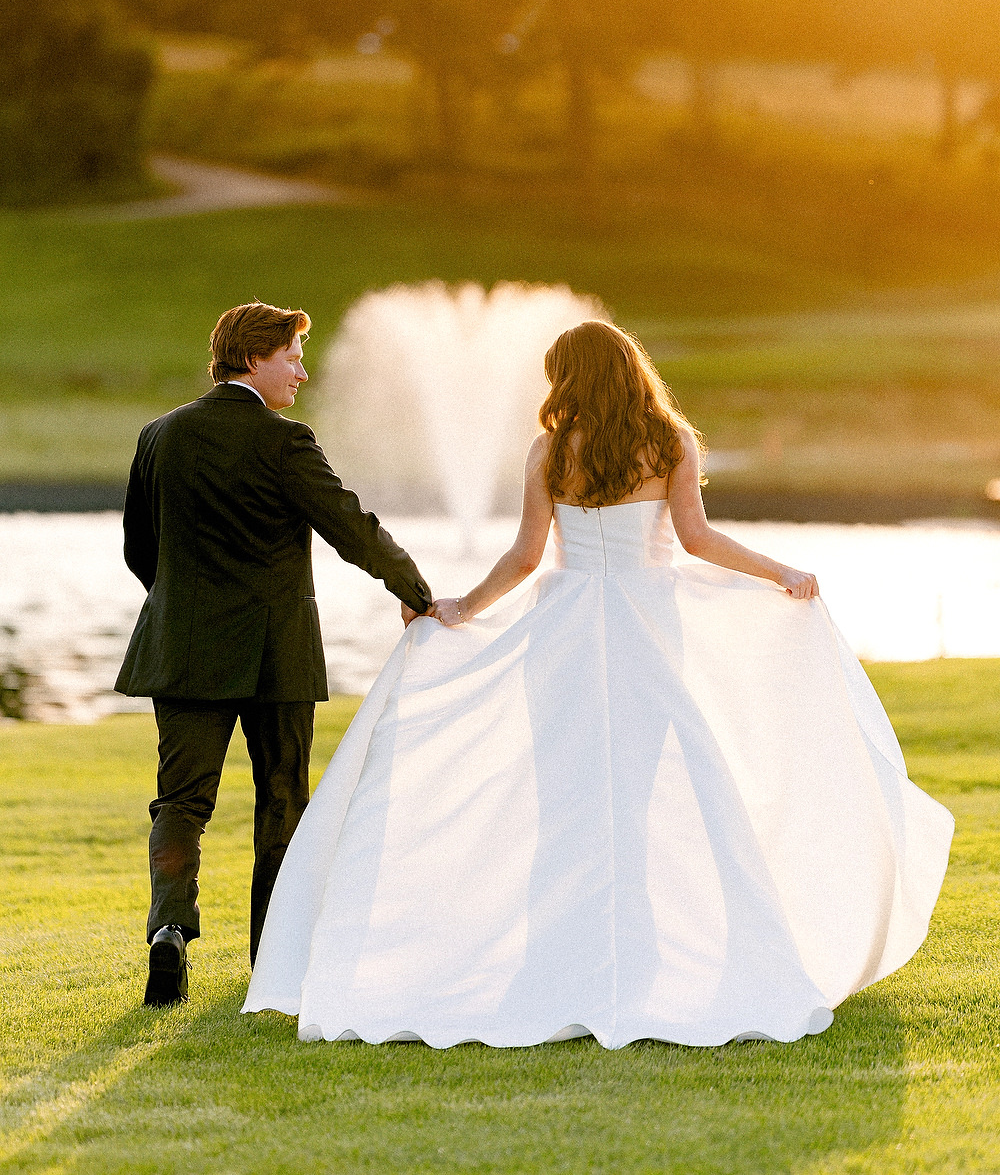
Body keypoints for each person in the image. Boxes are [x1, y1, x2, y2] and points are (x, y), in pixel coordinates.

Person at [243, 320, 953, 1049]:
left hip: (563, 635)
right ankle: (639, 968)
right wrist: (781, 573)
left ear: (569, 379)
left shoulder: (551, 450)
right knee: (641, 804)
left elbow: (524, 559)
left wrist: (460, 608)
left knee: (563, 804)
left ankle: (555, 969)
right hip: (651, 631)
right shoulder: (671, 441)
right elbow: (697, 541)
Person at [116, 302, 432, 1008]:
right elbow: (349, 525)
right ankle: (274, 961)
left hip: (185, 649)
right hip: (275, 653)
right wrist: (415, 588)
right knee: (282, 800)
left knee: (181, 801)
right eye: (292, 355)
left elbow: (142, 549)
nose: (303, 370)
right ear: (255, 357)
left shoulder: (158, 436)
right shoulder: (285, 441)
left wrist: (183, 609)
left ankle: (169, 930)